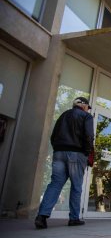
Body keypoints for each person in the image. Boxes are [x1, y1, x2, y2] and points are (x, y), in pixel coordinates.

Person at [35, 97, 94, 229]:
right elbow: (89, 136)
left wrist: (58, 149)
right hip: (77, 154)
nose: (88, 109)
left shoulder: (63, 115)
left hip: (59, 153)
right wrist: (86, 152)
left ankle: (42, 216)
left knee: (55, 184)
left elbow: (53, 136)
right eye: (87, 106)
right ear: (82, 105)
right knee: (76, 186)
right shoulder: (86, 117)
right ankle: (74, 218)